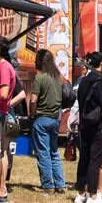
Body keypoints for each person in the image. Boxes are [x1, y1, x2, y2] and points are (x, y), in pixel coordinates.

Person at [73, 53, 102, 203]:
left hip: (84, 124)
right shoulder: (101, 80)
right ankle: (93, 196)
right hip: (99, 125)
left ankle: (81, 193)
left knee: (84, 158)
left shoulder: (83, 80)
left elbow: (79, 99)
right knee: (95, 160)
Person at [0, 38, 24, 203]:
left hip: (1, 115)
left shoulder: (3, 67)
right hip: (1, 113)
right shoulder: (2, 67)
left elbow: (3, 93)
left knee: (1, 153)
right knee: (1, 153)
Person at [30, 49, 67, 194]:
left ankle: (47, 185)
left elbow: (33, 100)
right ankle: (60, 184)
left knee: (43, 153)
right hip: (55, 119)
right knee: (54, 152)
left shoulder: (40, 78)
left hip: (41, 118)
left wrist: (31, 113)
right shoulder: (58, 76)